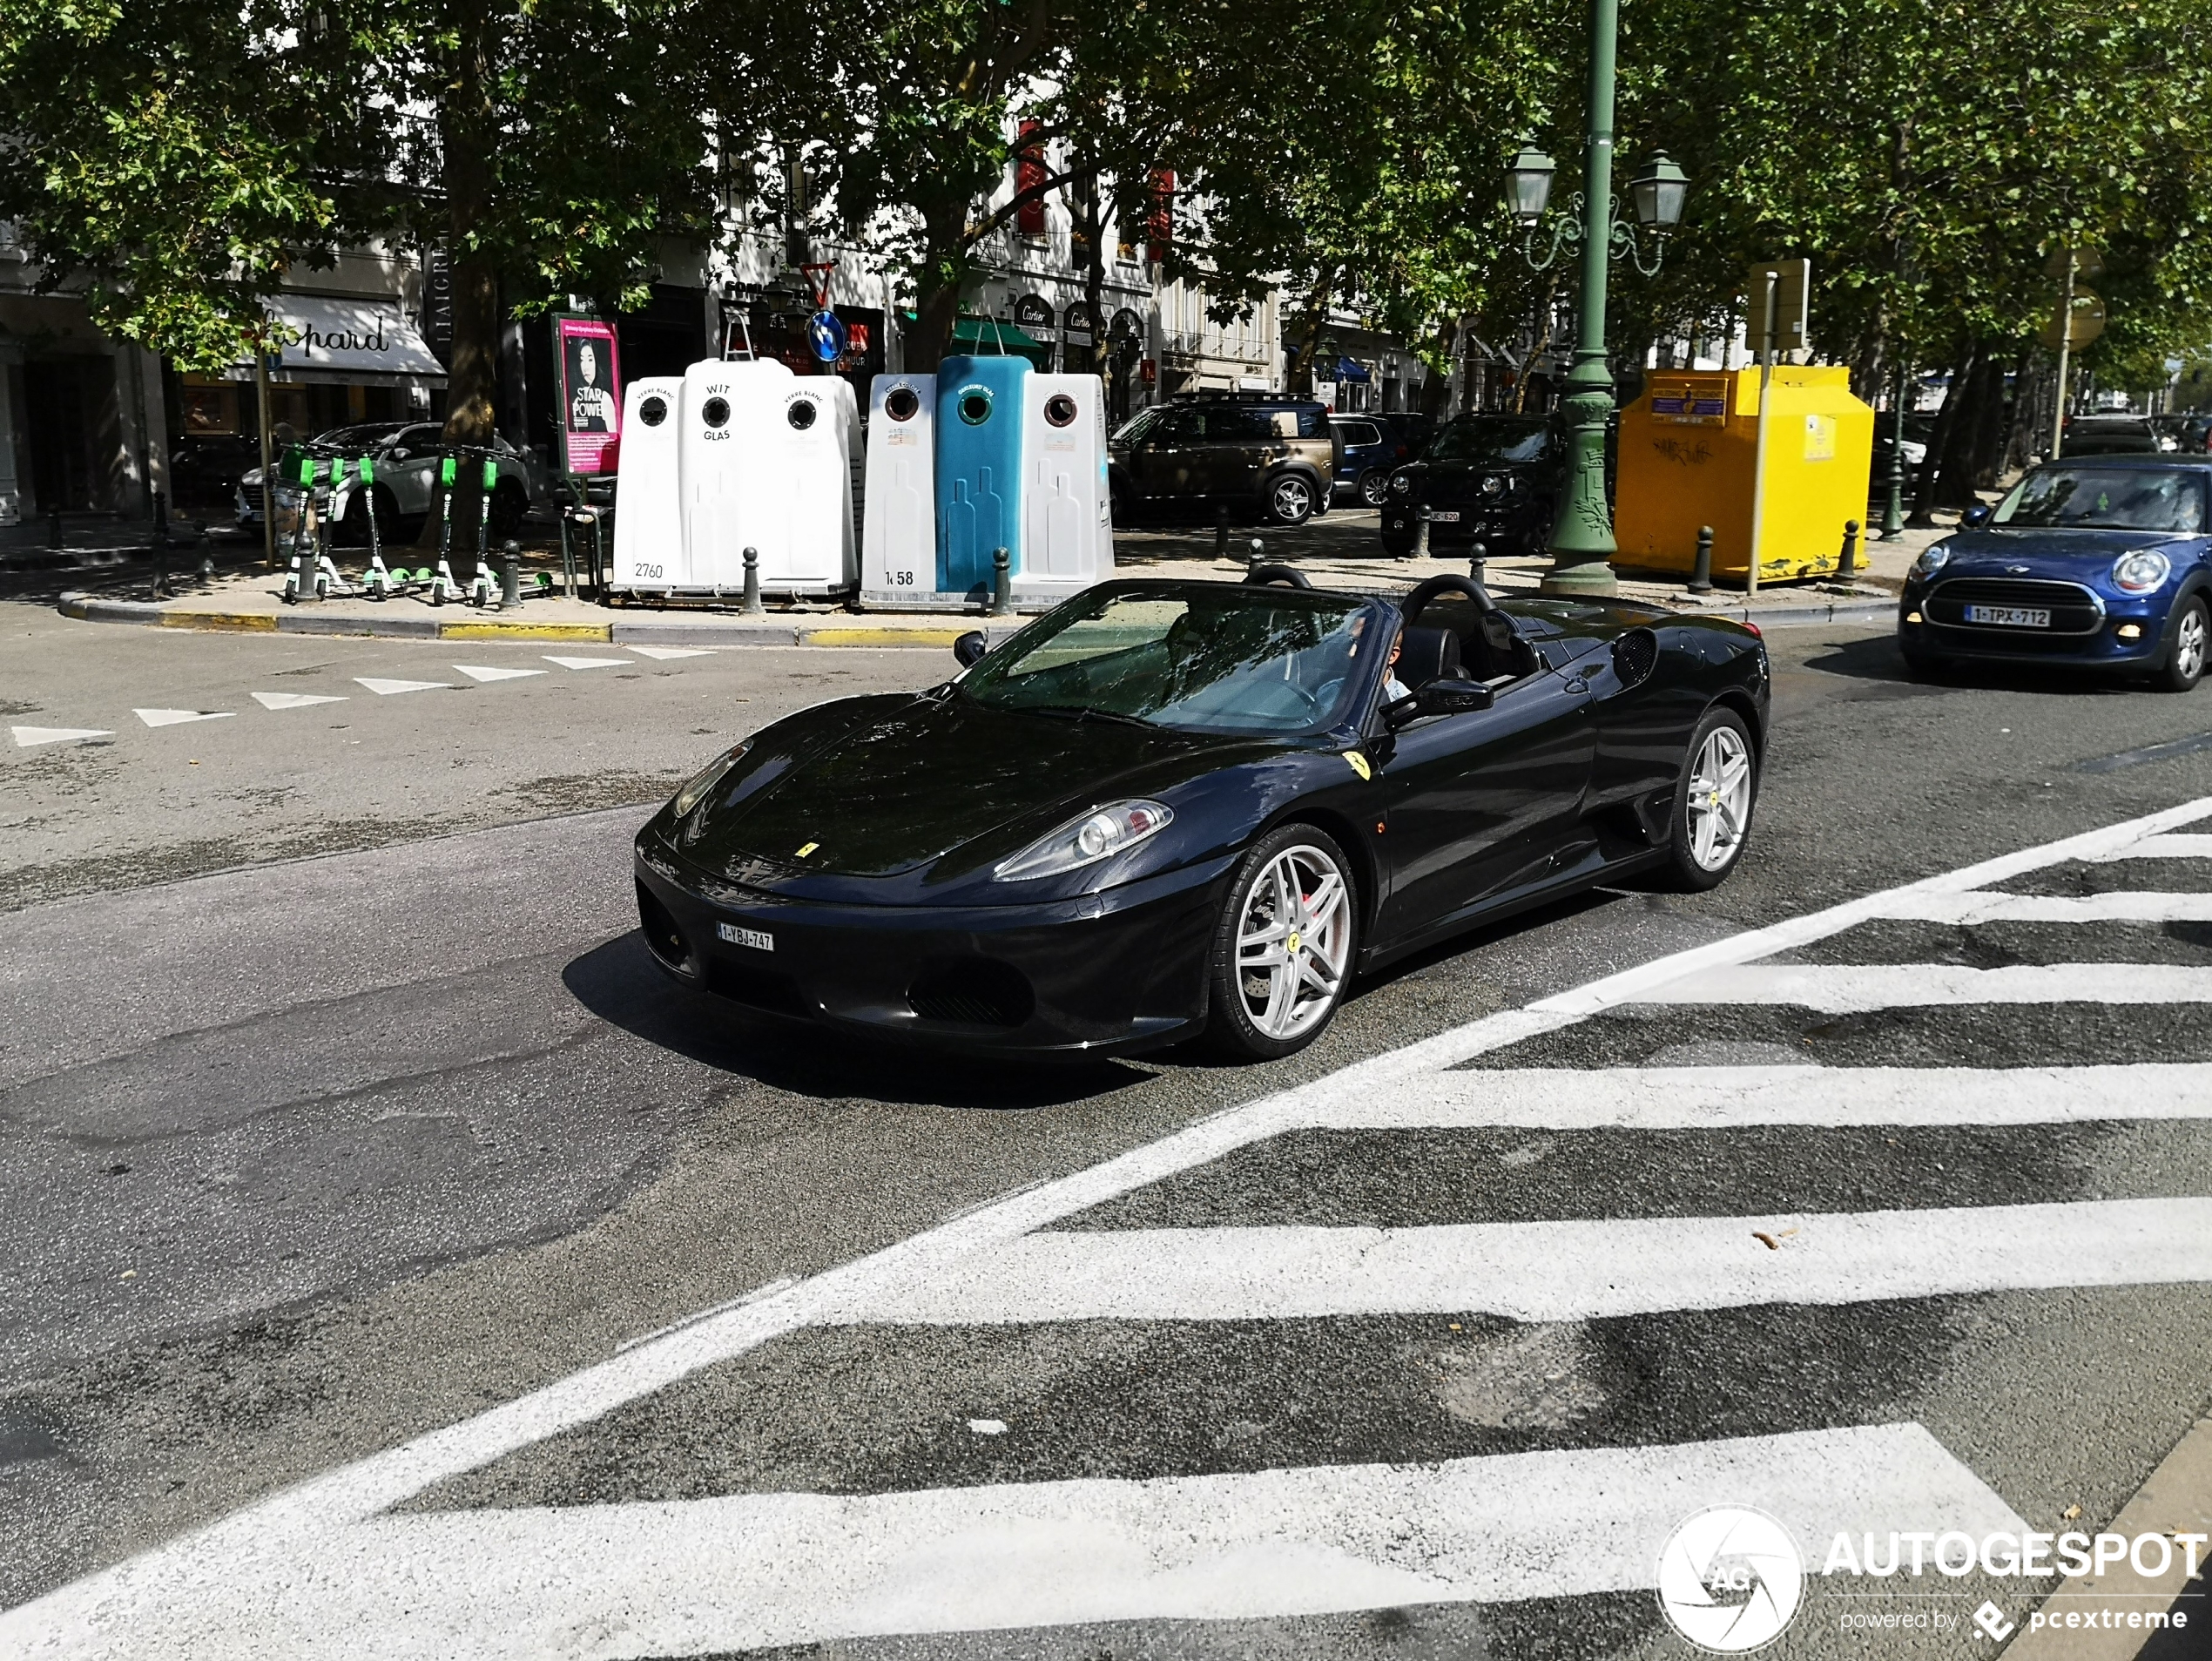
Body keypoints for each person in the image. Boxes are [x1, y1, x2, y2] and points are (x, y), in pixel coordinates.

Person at [569, 340, 614, 432]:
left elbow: (614, 436)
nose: (585, 367)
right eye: (582, 360)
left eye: (590, 360)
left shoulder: (604, 398)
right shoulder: (576, 400)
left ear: (597, 362)